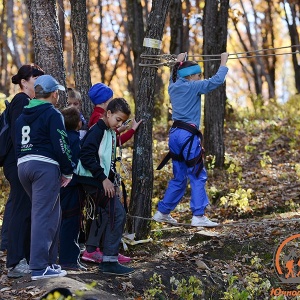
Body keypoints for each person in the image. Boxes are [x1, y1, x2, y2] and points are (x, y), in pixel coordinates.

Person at [153, 52, 229, 227]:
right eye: (198, 75)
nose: (200, 78)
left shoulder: (172, 87)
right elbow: (216, 81)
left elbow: (174, 76)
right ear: (191, 76)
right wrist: (223, 62)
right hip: (188, 137)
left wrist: (178, 62)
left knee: (179, 177)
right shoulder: (193, 86)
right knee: (197, 175)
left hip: (175, 136)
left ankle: (162, 212)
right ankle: (198, 215)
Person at [16, 74, 74, 280]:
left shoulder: (22, 116)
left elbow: (17, 144)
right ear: (53, 93)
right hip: (44, 167)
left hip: (23, 166)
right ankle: (39, 268)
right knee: (43, 215)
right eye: (57, 92)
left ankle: (50, 263)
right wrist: (68, 169)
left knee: (51, 214)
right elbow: (62, 145)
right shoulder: (52, 113)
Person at [81, 83, 142, 264]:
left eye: (121, 121)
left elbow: (109, 148)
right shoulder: (97, 125)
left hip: (101, 179)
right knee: (115, 213)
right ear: (107, 109)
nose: (119, 124)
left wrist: (122, 129)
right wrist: (104, 179)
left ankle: (100, 252)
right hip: (95, 180)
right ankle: (107, 256)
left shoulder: (106, 127)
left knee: (109, 213)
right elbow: (88, 154)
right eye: (118, 120)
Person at [2, 64, 44, 278]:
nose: (38, 80)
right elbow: (17, 135)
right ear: (24, 82)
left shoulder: (29, 102)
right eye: (35, 77)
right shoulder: (21, 100)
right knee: (20, 208)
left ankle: (24, 258)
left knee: (25, 208)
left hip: (21, 163)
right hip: (17, 163)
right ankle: (15, 262)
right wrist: (23, 162)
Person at [59, 106, 87, 271]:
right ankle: (69, 259)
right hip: (72, 186)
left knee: (64, 221)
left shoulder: (62, 138)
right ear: (78, 123)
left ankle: (65, 257)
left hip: (61, 186)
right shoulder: (74, 139)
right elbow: (76, 163)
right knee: (71, 222)